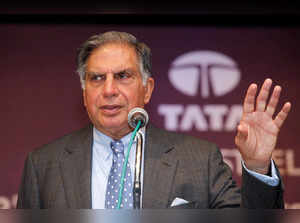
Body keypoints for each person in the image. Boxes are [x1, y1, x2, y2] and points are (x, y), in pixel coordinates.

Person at [17, 31, 291, 209]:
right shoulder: (43, 165)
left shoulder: (199, 159)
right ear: (84, 92)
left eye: (123, 76)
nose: (109, 89)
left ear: (147, 89)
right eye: (97, 78)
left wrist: (256, 165)